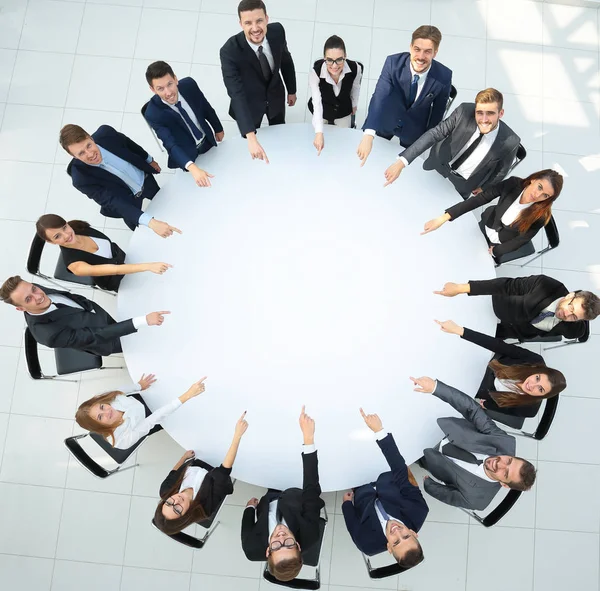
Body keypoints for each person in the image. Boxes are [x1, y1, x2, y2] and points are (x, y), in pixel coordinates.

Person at [410, 376, 536, 510]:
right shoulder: (505, 442)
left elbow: (445, 494)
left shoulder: (476, 500)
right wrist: (436, 388)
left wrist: (428, 484)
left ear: (504, 484)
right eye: (509, 461)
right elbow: (473, 410)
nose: (500, 464)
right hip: (437, 423)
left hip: (423, 455)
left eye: (505, 473)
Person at [241, 406, 324, 582]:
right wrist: (308, 438)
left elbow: (247, 527)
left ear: (267, 551)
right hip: (295, 490)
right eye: (288, 543)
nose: (281, 537)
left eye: (276, 546)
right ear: (298, 545)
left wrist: (249, 507)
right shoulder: (310, 534)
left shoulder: (251, 548)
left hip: (270, 497)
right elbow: (311, 489)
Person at [386, 88, 520, 195]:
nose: (483, 119)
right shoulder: (463, 111)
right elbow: (435, 134)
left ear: (500, 113)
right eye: (479, 112)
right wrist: (402, 162)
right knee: (416, 192)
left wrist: (484, 188)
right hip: (437, 165)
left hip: (463, 185)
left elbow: (501, 172)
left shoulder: (511, 141)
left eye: (490, 113)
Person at [357, 25, 452, 173]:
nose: (421, 57)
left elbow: (437, 114)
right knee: (375, 156)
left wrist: (425, 142)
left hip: (414, 129)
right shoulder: (392, 63)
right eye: (417, 49)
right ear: (410, 47)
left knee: (406, 169)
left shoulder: (444, 76)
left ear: (435, 52)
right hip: (387, 120)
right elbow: (379, 96)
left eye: (427, 52)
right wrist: (368, 134)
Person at [341, 408, 428, 568]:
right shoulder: (419, 510)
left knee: (343, 442)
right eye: (406, 536)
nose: (397, 532)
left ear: (388, 547)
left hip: (360, 487)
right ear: (414, 533)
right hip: (384, 469)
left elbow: (352, 524)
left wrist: (347, 504)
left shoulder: (367, 544)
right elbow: (400, 472)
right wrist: (380, 432)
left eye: (396, 542)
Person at [60, 124, 180, 237]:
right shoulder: (81, 179)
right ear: (74, 157)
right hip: (125, 201)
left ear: (90, 138)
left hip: (145, 180)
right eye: (81, 153)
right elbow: (113, 202)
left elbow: (129, 144)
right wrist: (151, 223)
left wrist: (148, 160)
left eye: (89, 145)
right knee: (142, 230)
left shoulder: (106, 134)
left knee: (164, 202)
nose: (90, 154)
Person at [0, 276, 169, 356]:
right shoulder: (49, 335)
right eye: (29, 299)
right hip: (105, 340)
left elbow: (69, 297)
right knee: (148, 348)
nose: (38, 296)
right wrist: (142, 320)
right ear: (21, 309)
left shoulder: (34, 289)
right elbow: (97, 335)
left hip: (95, 314)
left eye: (34, 289)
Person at [435, 320, 566, 418]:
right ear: (538, 371)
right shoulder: (534, 361)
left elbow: (496, 406)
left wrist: (485, 405)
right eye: (537, 378)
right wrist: (461, 331)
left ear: (542, 396)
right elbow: (499, 346)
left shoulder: (528, 409)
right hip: (482, 365)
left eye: (540, 389)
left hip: (474, 388)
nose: (532, 385)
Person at [421, 169, 563, 260]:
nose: (537, 195)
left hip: (501, 242)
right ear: (534, 179)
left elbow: (521, 240)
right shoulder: (513, 184)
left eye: (545, 195)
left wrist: (497, 251)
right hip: (489, 222)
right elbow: (481, 199)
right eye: (539, 187)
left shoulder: (541, 216)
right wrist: (444, 218)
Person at [220, 0, 297, 164]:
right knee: (251, 140)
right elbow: (236, 93)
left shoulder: (278, 32)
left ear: (267, 18)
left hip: (275, 96)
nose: (255, 28)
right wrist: (251, 136)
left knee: (278, 128)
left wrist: (292, 90)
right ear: (241, 24)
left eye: (259, 21)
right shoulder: (229, 51)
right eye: (248, 23)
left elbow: (286, 60)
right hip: (249, 105)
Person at [154, 411, 249, 534]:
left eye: (169, 503)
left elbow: (174, 472)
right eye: (177, 509)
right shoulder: (205, 507)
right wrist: (237, 436)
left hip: (201, 459)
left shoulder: (165, 491)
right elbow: (224, 471)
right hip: (220, 467)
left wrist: (183, 457)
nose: (176, 501)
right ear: (184, 516)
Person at [434, 274, 600, 341]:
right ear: (570, 295)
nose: (565, 314)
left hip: (511, 331)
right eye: (571, 308)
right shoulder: (545, 285)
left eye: (574, 317)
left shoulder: (574, 329)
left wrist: (582, 314)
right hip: (500, 307)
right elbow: (506, 285)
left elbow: (579, 330)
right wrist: (462, 288)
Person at [35, 214, 172, 292]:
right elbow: (116, 270)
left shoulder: (77, 226)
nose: (66, 235)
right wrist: (148, 266)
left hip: (122, 257)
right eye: (57, 236)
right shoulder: (75, 265)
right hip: (116, 279)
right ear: (52, 242)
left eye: (64, 227)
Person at [144, 61, 224, 187]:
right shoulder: (153, 114)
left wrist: (218, 128)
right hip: (186, 152)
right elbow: (170, 144)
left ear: (175, 79)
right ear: (152, 89)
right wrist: (192, 167)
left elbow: (205, 107)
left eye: (169, 84)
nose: (168, 92)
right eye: (160, 89)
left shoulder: (189, 85)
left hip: (206, 139)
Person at [76, 376, 207, 449]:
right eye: (100, 417)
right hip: (149, 419)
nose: (108, 410)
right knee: (187, 414)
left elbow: (119, 391)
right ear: (98, 426)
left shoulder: (101, 397)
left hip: (140, 402)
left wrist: (139, 385)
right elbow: (155, 418)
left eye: (102, 407)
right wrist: (187, 395)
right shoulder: (121, 441)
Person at [308, 35, 363, 155]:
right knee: (319, 137)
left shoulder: (356, 68)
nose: (334, 65)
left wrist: (354, 104)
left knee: (343, 141)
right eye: (329, 60)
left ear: (345, 57)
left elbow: (356, 87)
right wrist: (319, 133)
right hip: (323, 108)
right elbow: (317, 103)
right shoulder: (315, 73)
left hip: (343, 109)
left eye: (339, 60)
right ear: (324, 58)